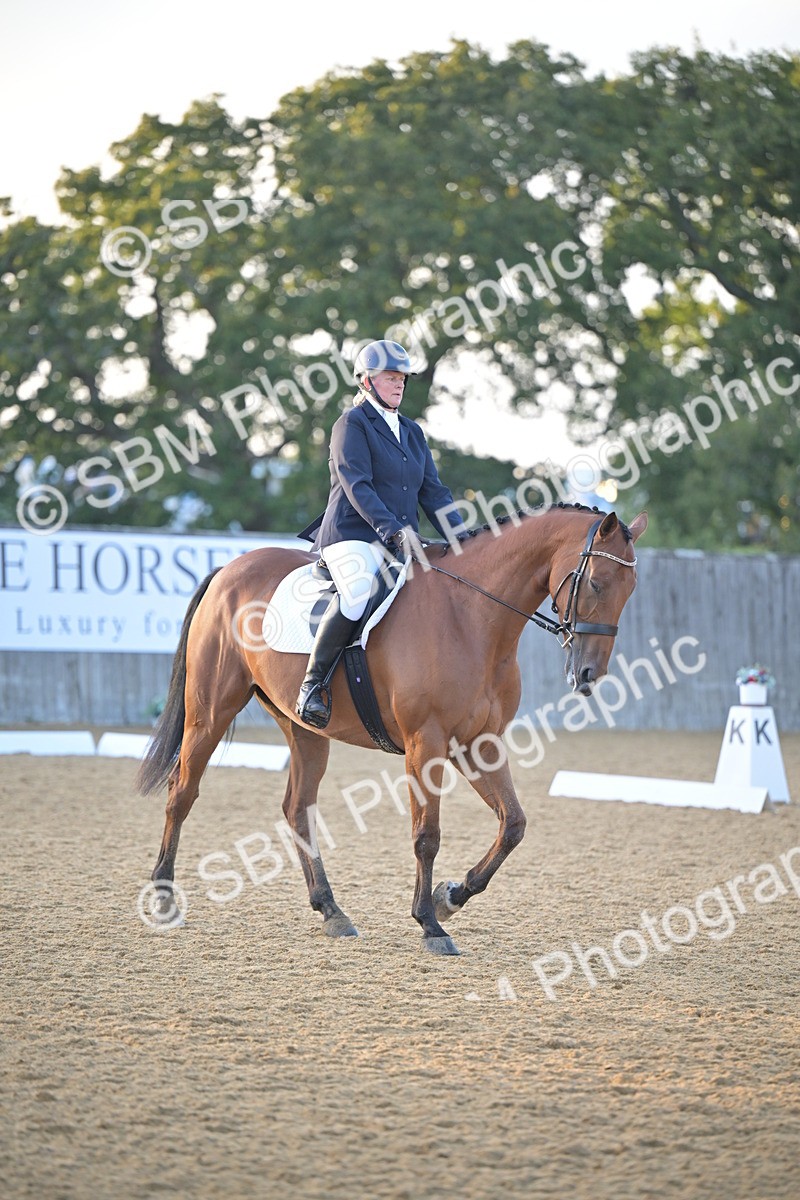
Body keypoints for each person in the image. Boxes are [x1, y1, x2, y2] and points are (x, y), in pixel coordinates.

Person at [295, 338, 466, 728]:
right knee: (357, 595)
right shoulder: (351, 424)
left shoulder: (412, 432)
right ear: (366, 381)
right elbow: (357, 485)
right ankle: (312, 685)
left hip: (399, 537)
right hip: (353, 534)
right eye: (390, 377)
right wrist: (393, 529)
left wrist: (462, 538)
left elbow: (433, 492)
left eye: (402, 378)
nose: (399, 384)